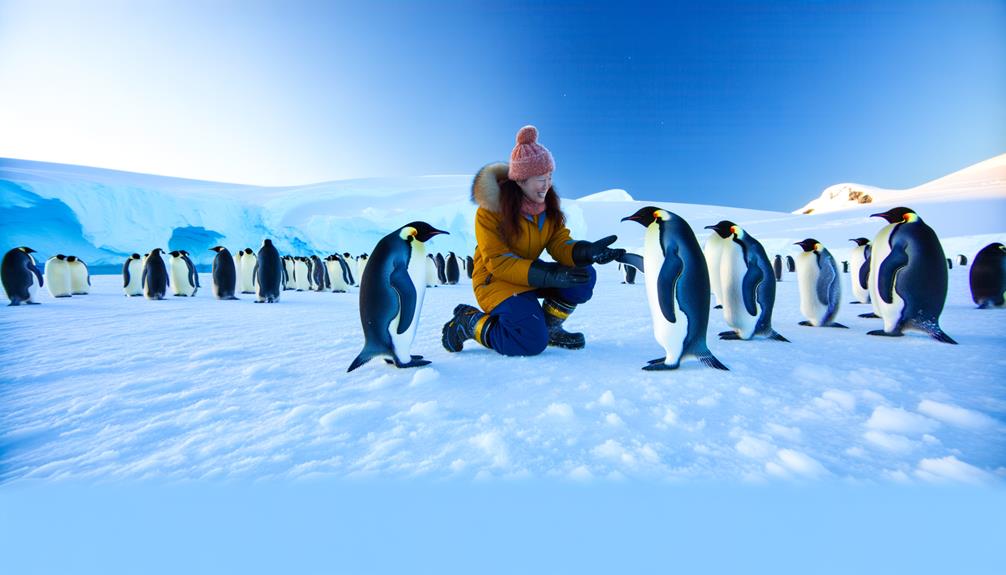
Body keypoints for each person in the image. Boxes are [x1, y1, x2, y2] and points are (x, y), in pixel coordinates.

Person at [442, 125, 624, 356]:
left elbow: (560, 243)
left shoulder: (547, 210)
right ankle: (469, 323)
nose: (547, 184)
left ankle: (550, 328)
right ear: (520, 180)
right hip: (496, 281)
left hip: (528, 275)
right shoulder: (491, 211)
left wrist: (586, 252)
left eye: (549, 177)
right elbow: (499, 261)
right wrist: (548, 275)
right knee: (529, 341)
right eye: (540, 178)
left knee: (583, 275)